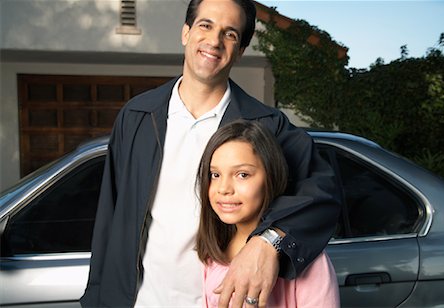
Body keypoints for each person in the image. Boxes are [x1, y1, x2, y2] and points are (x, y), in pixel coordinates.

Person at [80, 0, 341, 307]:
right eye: (206, 26)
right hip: (141, 301)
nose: (214, 41)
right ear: (186, 33)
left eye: (230, 34)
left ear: (240, 51)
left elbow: (324, 192)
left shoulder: (266, 126)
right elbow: (110, 216)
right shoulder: (136, 116)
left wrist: (269, 240)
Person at [196, 120, 340, 307]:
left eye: (242, 175)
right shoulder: (213, 252)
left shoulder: (305, 259)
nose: (223, 189)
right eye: (215, 175)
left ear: (271, 177)